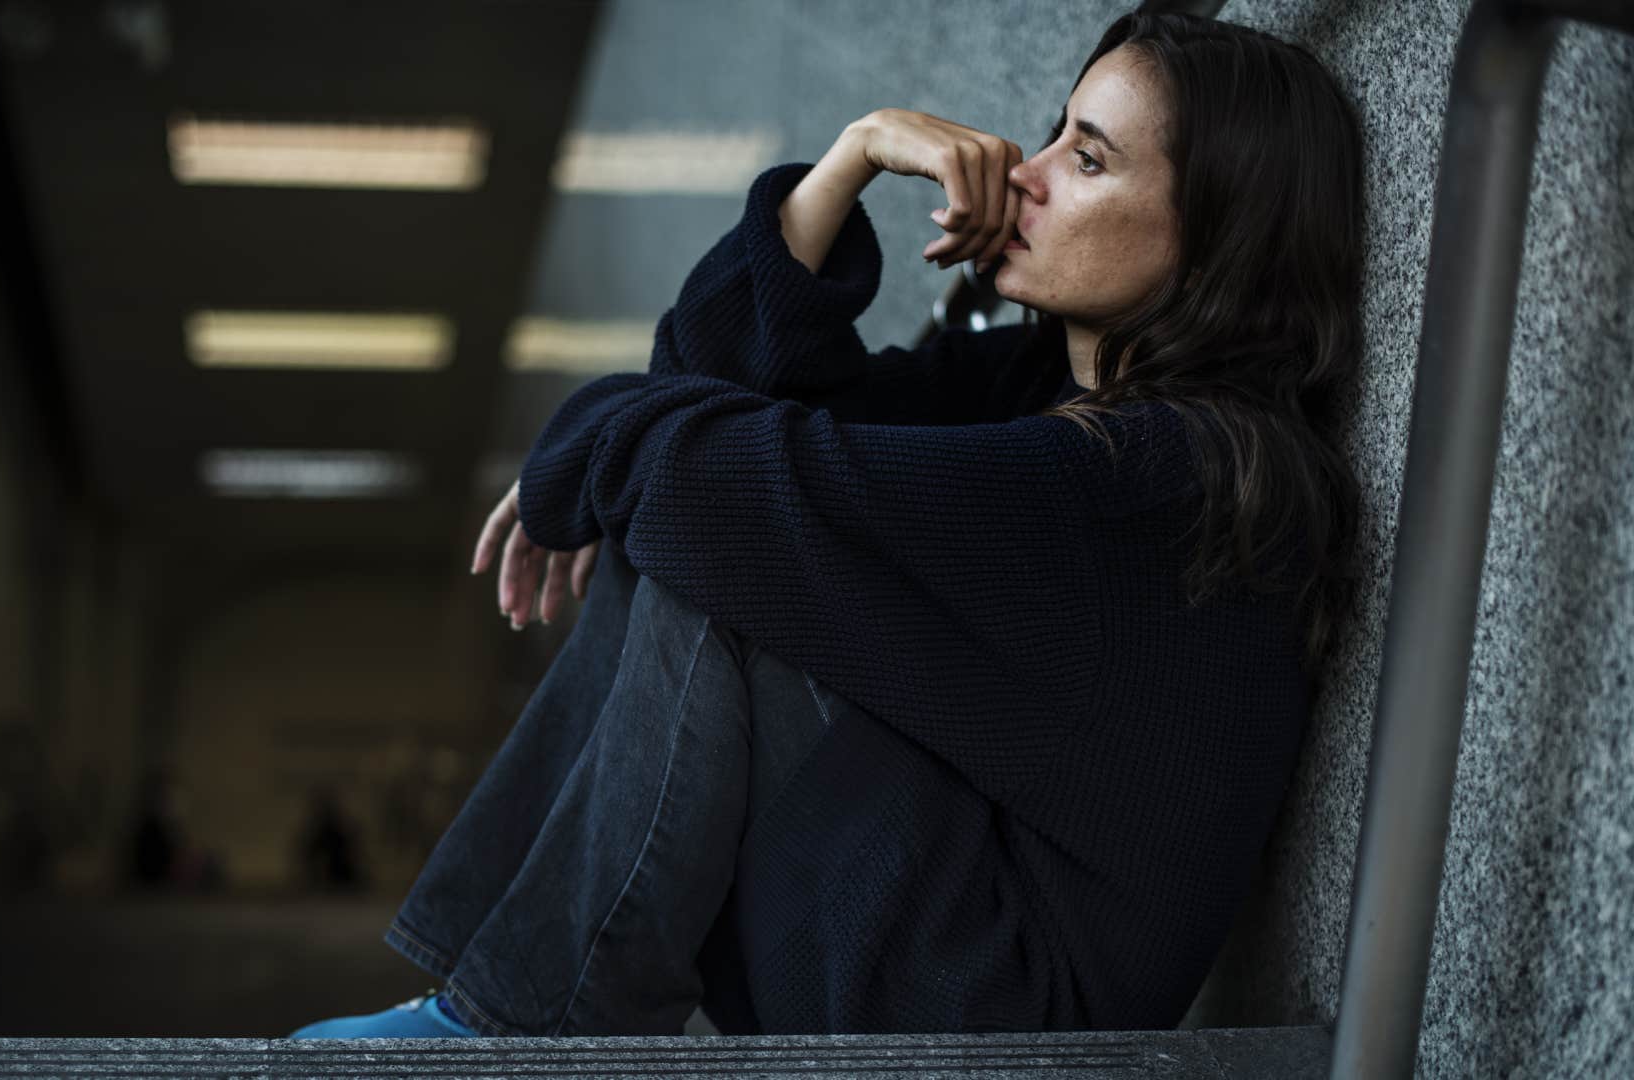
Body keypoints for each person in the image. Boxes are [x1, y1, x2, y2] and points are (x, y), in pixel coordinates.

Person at [290, 9, 1365, 1039]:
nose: (1024, 175)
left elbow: (727, 489)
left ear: (1218, 235)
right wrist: (849, 158)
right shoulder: (1041, 386)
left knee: (734, 547)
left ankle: (519, 1030)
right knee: (724, 520)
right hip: (937, 940)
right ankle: (507, 1018)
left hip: (998, 1010)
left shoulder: (1163, 473)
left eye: (1088, 160)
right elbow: (722, 385)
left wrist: (590, 444)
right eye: (1052, 133)